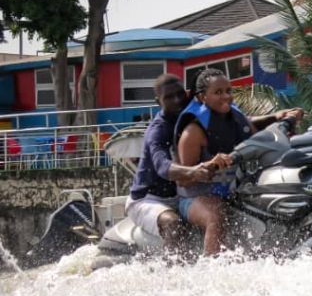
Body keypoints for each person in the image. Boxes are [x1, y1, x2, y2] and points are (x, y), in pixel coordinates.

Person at [175, 68, 303, 255]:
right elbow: (183, 180)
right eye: (218, 92)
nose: (226, 96)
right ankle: (211, 269)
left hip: (233, 193)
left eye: (228, 91)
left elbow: (258, 139)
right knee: (216, 215)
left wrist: (281, 119)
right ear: (203, 97)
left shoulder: (236, 121)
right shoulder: (192, 133)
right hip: (194, 198)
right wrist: (210, 165)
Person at [125, 74, 227, 251]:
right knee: (173, 224)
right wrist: (193, 171)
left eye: (180, 94)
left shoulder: (194, 114)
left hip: (181, 197)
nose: (177, 100)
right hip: (148, 199)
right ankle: (173, 273)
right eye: (169, 97)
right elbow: (161, 165)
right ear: (158, 102)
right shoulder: (158, 130)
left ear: (187, 93)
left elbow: (238, 123)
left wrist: (274, 118)